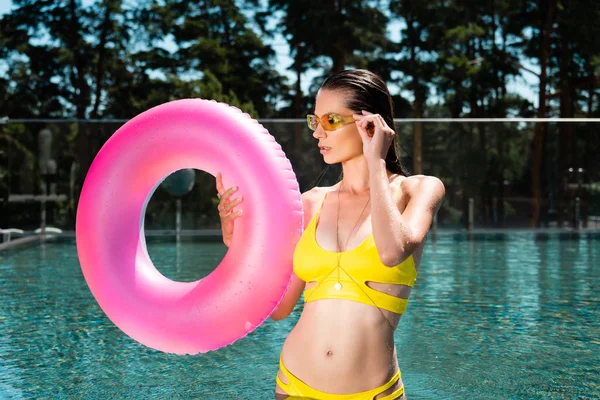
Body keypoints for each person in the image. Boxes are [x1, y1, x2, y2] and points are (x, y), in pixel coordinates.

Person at [215, 69, 445, 400]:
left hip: (374, 393)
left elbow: (393, 250)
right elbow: (279, 309)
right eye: (315, 120)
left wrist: (375, 162)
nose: (317, 132)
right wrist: (235, 239)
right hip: (294, 386)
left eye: (331, 121)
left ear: (371, 124)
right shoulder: (310, 203)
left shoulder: (419, 189)